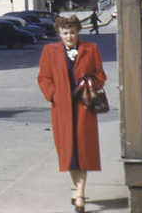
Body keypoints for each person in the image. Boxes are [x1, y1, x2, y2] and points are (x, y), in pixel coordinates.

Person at [37, 15, 107, 213]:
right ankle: (75, 187)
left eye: (73, 32)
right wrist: (54, 95)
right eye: (65, 33)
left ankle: (81, 194)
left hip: (84, 108)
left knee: (83, 152)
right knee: (69, 153)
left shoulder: (90, 49)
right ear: (59, 34)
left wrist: (90, 83)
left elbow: (101, 75)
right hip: (62, 109)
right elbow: (43, 77)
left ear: (78, 33)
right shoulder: (49, 51)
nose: (69, 36)